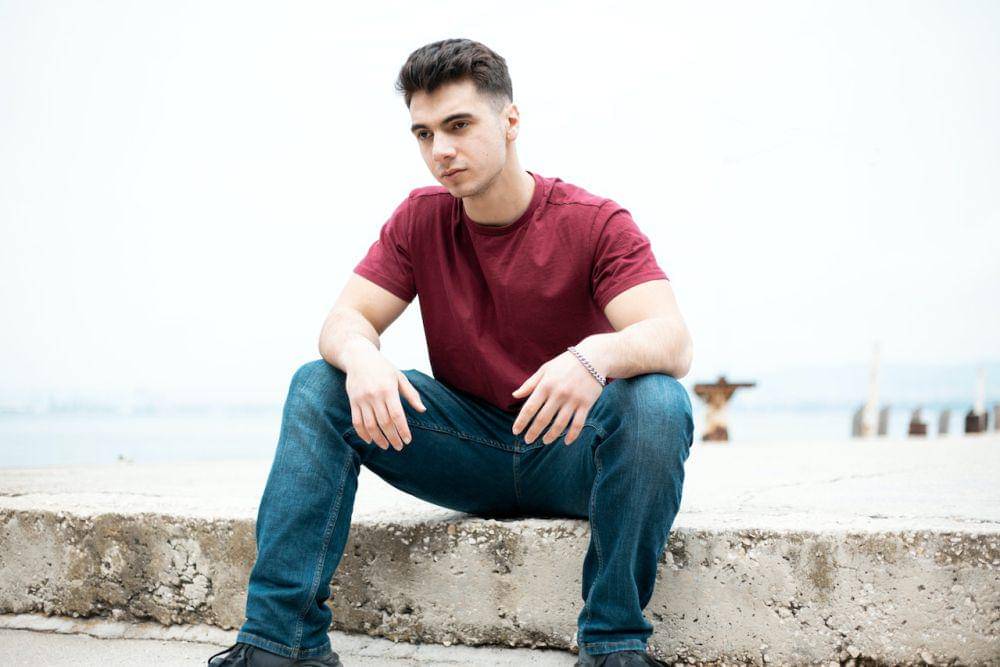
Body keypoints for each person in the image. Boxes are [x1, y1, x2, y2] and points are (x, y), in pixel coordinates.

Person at [208, 37, 694, 667]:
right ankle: (282, 645)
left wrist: (593, 356)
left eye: (458, 125)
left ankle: (613, 644)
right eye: (424, 133)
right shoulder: (421, 219)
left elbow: (672, 338)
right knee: (319, 383)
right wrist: (361, 355)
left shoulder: (594, 222)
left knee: (657, 401)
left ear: (510, 121)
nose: (440, 150)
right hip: (468, 449)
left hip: (574, 452)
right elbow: (345, 320)